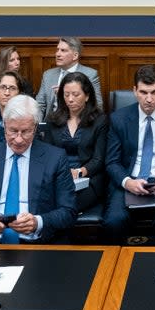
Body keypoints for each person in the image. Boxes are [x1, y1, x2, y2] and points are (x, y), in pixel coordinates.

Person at [0, 95, 77, 243]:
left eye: (25, 131)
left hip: (37, 246)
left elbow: (69, 212)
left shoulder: (55, 158)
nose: (18, 139)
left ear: (35, 128)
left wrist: (38, 222)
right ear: (4, 125)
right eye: (13, 131)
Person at [102, 65, 155, 243]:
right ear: (134, 91)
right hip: (129, 180)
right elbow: (111, 162)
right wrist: (128, 182)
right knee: (114, 221)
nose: (149, 99)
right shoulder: (119, 119)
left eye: (154, 92)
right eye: (143, 92)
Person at [40, 72, 110, 209]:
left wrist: (79, 172)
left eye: (75, 94)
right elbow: (47, 154)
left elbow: (99, 159)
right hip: (58, 177)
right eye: (66, 95)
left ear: (87, 96)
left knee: (67, 204)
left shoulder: (100, 120)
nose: (70, 99)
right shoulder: (52, 119)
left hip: (88, 179)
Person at [34, 37, 102, 119]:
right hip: (51, 123)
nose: (57, 54)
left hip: (78, 122)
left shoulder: (90, 74)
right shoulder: (48, 75)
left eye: (63, 50)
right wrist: (38, 125)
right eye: (57, 50)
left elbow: (97, 105)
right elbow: (39, 105)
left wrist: (64, 94)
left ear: (75, 55)